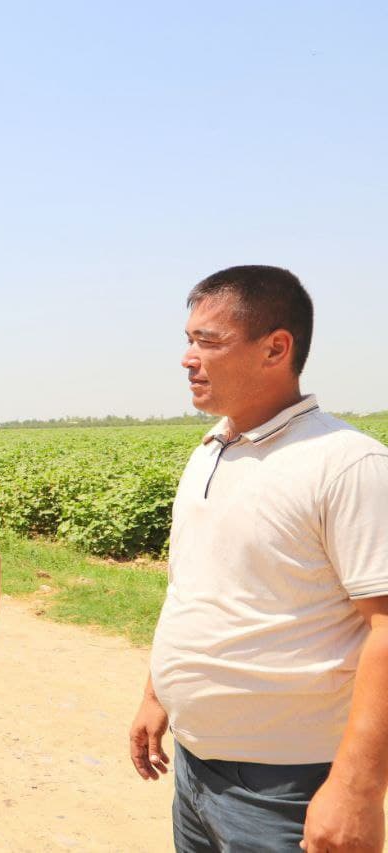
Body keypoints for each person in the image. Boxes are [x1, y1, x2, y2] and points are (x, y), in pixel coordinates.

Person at [129, 265, 388, 852]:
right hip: (196, 770)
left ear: (276, 348)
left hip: (288, 787)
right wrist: (156, 694)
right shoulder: (211, 450)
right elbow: (193, 588)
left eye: (208, 342)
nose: (188, 358)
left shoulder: (346, 464)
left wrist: (356, 790)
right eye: (189, 340)